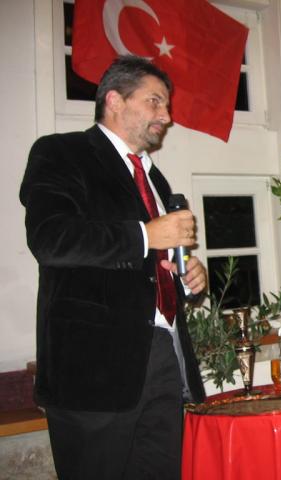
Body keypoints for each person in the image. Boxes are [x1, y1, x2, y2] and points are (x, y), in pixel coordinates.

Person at [20, 56, 207, 480]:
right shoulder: (61, 152)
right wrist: (145, 235)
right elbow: (50, 239)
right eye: (155, 101)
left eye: (167, 105)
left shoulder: (155, 179)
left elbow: (147, 266)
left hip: (163, 357)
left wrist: (186, 278)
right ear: (115, 100)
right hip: (92, 371)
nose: (167, 116)